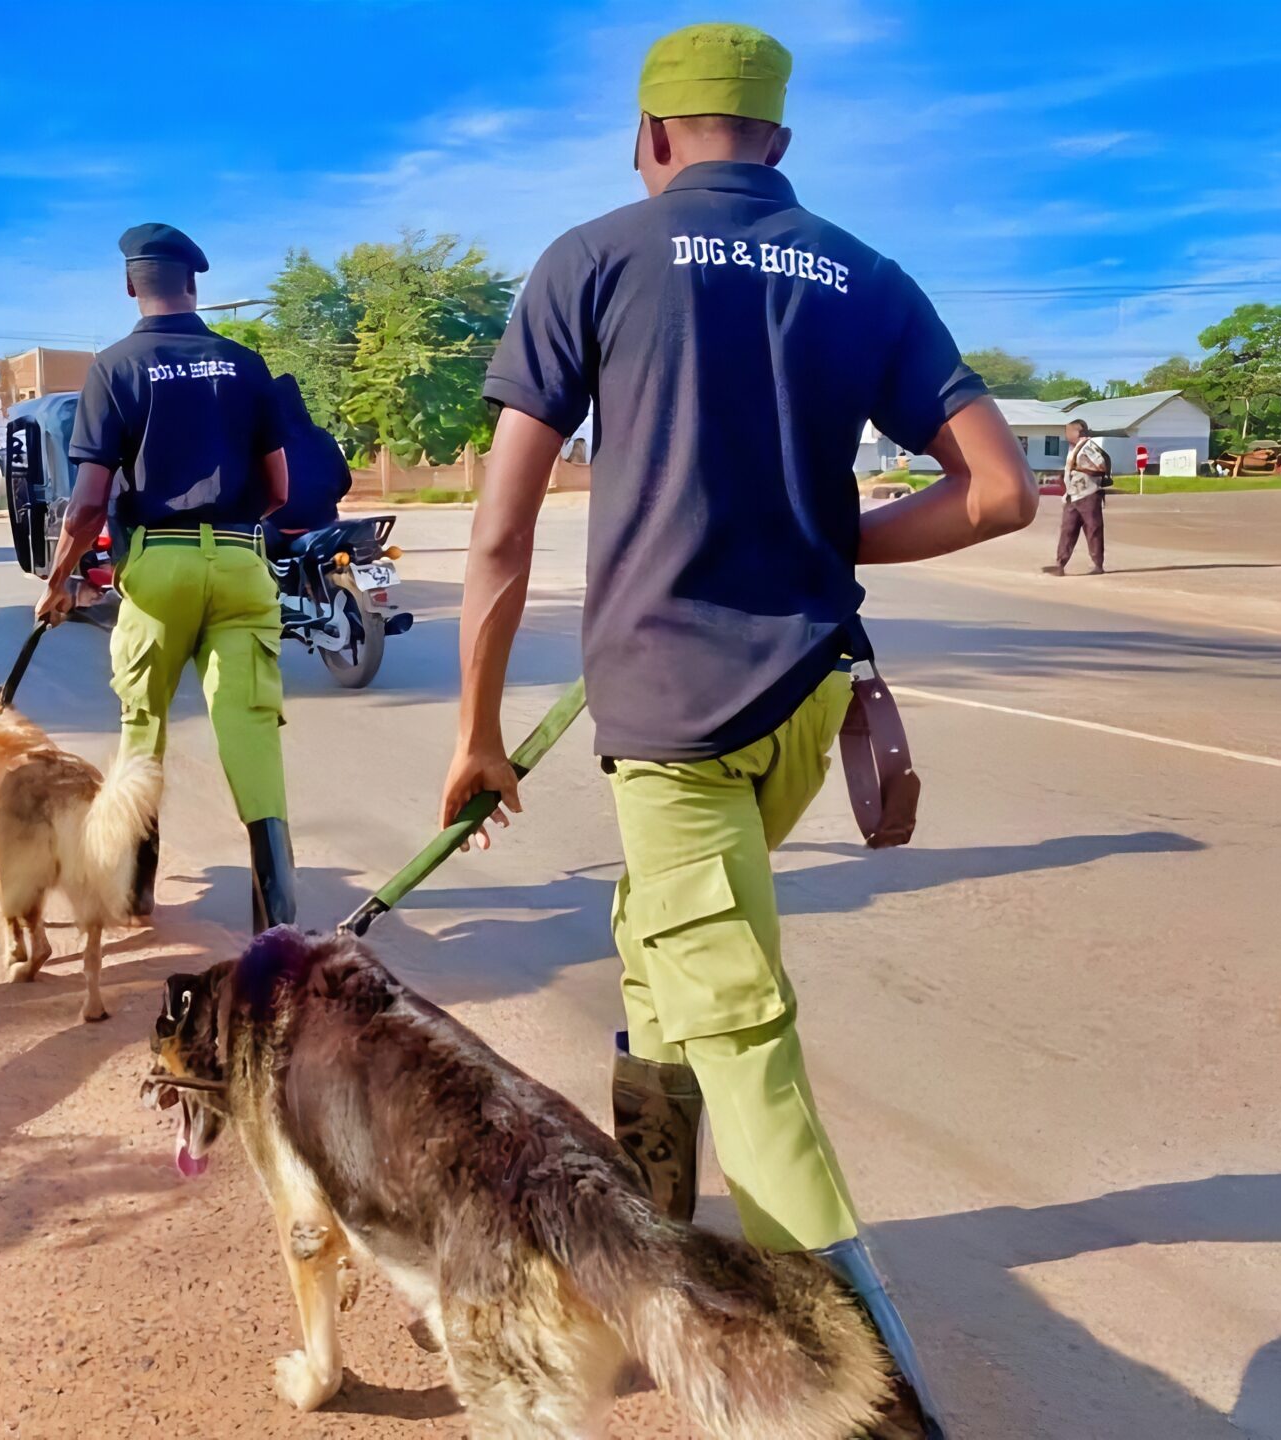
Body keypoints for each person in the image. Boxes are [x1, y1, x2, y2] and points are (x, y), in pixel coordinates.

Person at [439, 24, 1035, 1436]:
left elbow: (503, 537)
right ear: (779, 142)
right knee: (663, 951)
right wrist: (844, 538)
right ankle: (660, 1249)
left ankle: (876, 1406)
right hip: (806, 701)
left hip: (672, 723)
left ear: (649, 135)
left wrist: (476, 735)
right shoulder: (864, 274)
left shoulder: (590, 258)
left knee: (746, 1041)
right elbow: (1003, 493)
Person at [35, 223, 297, 930]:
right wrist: (239, 530)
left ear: (130, 284)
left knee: (143, 720)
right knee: (250, 725)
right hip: (243, 560)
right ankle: (276, 909)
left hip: (158, 562)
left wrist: (60, 578)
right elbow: (279, 485)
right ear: (194, 284)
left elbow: (89, 499)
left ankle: (140, 889)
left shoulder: (114, 369)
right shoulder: (245, 365)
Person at [265, 373, 353, 555]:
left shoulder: (266, 442)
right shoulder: (323, 438)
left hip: (275, 530)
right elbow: (345, 482)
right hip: (324, 527)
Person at [1043, 417, 1108, 576]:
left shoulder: (1088, 446)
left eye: (1068, 430)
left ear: (1078, 432)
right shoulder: (1074, 448)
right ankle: (1060, 564)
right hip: (1073, 495)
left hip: (1088, 494)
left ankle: (1098, 565)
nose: (1066, 434)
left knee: (1093, 530)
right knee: (1067, 530)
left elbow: (1101, 466)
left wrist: (1079, 469)